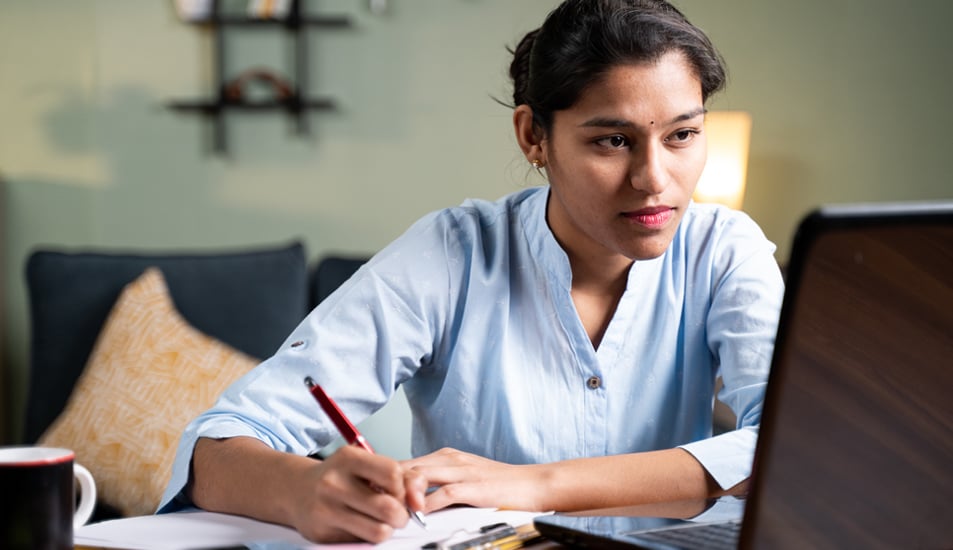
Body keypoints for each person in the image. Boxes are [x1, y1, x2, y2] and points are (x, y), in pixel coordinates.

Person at [158, 0, 784, 543]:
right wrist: (305, 490)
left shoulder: (726, 251)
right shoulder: (451, 254)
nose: (653, 179)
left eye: (682, 135)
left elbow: (787, 452)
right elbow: (219, 445)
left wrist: (535, 487)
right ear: (533, 136)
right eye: (612, 141)